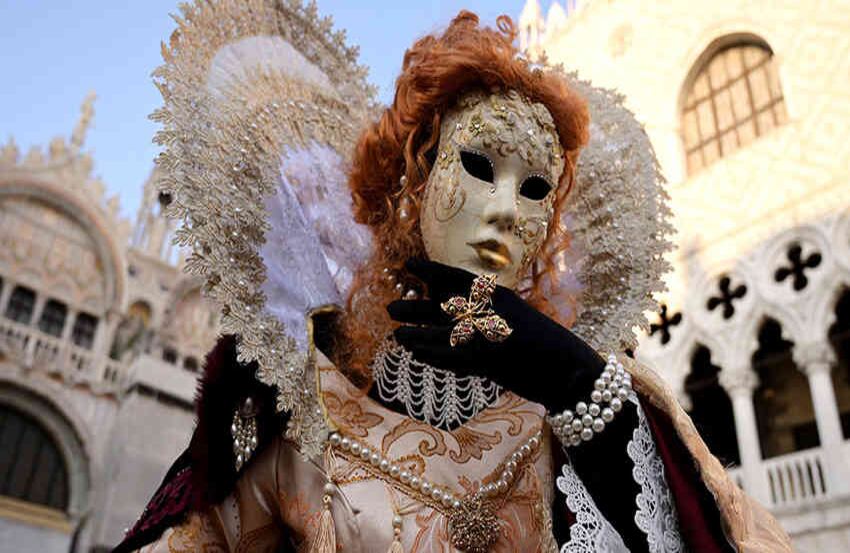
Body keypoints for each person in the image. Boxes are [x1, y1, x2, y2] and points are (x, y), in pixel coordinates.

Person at [113, 1, 792, 551]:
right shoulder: (304, 395)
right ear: (415, 174)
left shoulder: (591, 405)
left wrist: (576, 383)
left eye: (535, 190)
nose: (503, 211)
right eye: (477, 166)